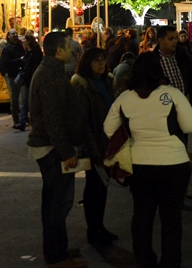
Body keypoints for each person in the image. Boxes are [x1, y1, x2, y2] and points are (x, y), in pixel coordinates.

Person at [104, 53, 192, 268]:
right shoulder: (172, 94)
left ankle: (144, 260)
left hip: (139, 165)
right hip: (174, 164)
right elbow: (191, 125)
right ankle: (171, 262)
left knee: (142, 215)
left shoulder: (125, 98)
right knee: (171, 218)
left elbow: (108, 129)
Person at [27, 31, 88, 268]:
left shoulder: (50, 71)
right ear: (58, 50)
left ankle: (58, 248)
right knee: (57, 203)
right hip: (52, 149)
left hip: (52, 146)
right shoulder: (51, 75)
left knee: (57, 203)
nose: (72, 50)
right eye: (67, 46)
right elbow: (54, 118)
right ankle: (56, 255)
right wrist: (66, 151)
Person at [71, 47, 117, 247]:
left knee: (103, 187)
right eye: (96, 60)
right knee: (94, 189)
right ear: (87, 63)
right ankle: (93, 230)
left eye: (102, 59)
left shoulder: (107, 82)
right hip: (94, 144)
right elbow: (83, 122)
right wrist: (93, 149)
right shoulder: (82, 86)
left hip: (108, 142)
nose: (101, 63)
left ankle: (100, 226)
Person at [153, 26, 192, 199]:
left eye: (175, 38)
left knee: (181, 149)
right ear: (160, 40)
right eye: (171, 39)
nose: (175, 41)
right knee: (164, 151)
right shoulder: (152, 60)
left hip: (181, 109)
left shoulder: (181, 54)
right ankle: (165, 187)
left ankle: (182, 185)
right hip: (162, 113)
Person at [0, 29, 25, 130]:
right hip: (12, 74)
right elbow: (6, 62)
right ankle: (16, 119)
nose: (15, 35)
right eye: (12, 34)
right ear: (8, 36)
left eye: (16, 33)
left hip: (20, 74)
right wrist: (20, 60)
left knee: (22, 97)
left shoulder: (20, 46)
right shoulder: (7, 49)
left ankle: (22, 116)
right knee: (15, 97)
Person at [17, 34, 44, 131]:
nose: (23, 41)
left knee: (31, 101)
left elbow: (35, 65)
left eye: (25, 40)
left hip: (31, 78)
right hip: (26, 79)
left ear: (29, 41)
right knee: (24, 102)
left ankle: (32, 121)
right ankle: (22, 122)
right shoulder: (27, 52)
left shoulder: (36, 52)